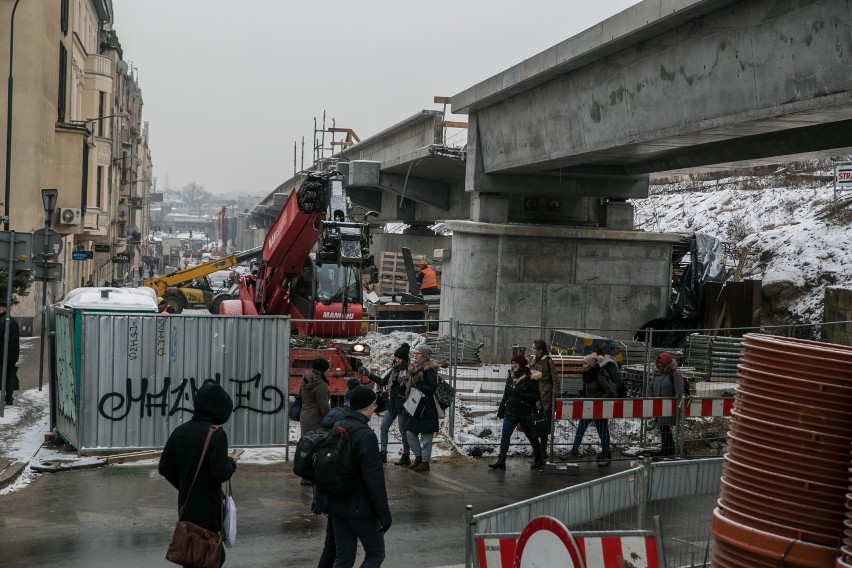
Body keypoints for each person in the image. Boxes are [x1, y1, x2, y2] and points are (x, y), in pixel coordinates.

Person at [158, 382, 239, 567]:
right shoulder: (217, 435)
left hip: (186, 507)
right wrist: (232, 463)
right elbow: (220, 473)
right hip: (209, 510)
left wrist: (185, 484)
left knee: (193, 555)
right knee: (210, 556)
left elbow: (164, 467)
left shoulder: (180, 431)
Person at [326, 386, 392, 567]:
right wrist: (384, 514)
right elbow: (374, 479)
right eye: (373, 405)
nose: (374, 409)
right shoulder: (365, 435)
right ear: (365, 407)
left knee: (343, 558)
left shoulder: (337, 427)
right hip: (359, 507)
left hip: (337, 504)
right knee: (376, 554)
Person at [359, 342, 411, 465]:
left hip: (403, 406)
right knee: (383, 427)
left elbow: (411, 389)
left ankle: (406, 455)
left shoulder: (409, 372)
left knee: (403, 431)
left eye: (399, 358)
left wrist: (406, 403)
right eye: (396, 357)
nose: (396, 360)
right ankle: (383, 453)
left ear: (404, 359)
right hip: (392, 405)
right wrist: (368, 375)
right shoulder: (394, 371)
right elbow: (383, 382)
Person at [489, 355, 543, 470]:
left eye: (516, 363)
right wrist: (501, 410)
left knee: (532, 437)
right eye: (512, 363)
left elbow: (537, 396)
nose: (513, 365)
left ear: (522, 365)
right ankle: (501, 461)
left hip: (525, 413)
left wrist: (524, 396)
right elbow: (506, 395)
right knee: (505, 436)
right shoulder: (510, 378)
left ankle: (539, 459)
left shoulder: (530, 378)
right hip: (510, 413)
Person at [569, 354, 615, 466]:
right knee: (581, 429)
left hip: (599, 408)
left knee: (602, 432)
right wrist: (580, 394)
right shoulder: (587, 375)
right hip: (589, 407)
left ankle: (606, 453)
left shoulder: (599, 376)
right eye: (583, 364)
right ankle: (574, 451)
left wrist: (597, 400)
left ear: (591, 365)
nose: (583, 366)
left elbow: (610, 392)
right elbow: (586, 389)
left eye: (585, 364)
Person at [404, 344, 440, 472]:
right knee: (409, 432)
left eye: (418, 353)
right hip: (416, 405)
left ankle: (425, 462)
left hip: (427, 407)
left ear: (425, 355)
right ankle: (419, 457)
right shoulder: (415, 369)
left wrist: (420, 386)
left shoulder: (428, 369)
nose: (415, 356)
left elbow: (432, 388)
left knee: (426, 438)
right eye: (414, 353)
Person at [646, 352, 684, 457]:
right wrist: (651, 401)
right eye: (658, 362)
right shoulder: (657, 374)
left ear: (667, 363)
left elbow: (679, 391)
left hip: (669, 407)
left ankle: (667, 450)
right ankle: (668, 449)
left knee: (665, 428)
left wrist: (675, 404)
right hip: (658, 407)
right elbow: (650, 388)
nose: (659, 364)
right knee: (663, 428)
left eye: (661, 362)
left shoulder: (674, 374)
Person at [528, 339, 555, 460]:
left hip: (545, 396)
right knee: (534, 422)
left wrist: (554, 396)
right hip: (534, 395)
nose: (532, 349)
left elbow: (555, 379)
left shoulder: (548, 361)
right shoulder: (533, 359)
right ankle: (536, 448)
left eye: (534, 348)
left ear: (540, 350)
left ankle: (543, 450)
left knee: (543, 424)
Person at [300, 358, 331, 436]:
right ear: (322, 370)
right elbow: (323, 406)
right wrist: (329, 418)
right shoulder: (320, 384)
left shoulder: (306, 380)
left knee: (306, 441)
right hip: (316, 418)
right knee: (315, 441)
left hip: (305, 415)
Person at [0, 302, 20, 406]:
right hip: (12, 355)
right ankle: (9, 398)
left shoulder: (2, 321)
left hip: (3, 355)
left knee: (4, 376)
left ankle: (7, 397)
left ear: (2, 309)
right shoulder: (12, 321)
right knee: (10, 376)